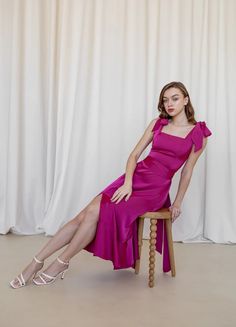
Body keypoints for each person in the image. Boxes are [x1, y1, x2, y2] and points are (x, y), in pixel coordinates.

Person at [10, 81, 212, 288]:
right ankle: (36, 262)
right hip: (134, 177)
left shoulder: (199, 133)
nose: (169, 103)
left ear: (186, 100)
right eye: (165, 99)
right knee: (86, 213)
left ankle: (61, 262)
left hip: (154, 190)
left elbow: (187, 172)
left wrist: (177, 203)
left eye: (175, 98)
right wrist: (128, 183)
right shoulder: (157, 124)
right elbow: (134, 155)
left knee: (96, 212)